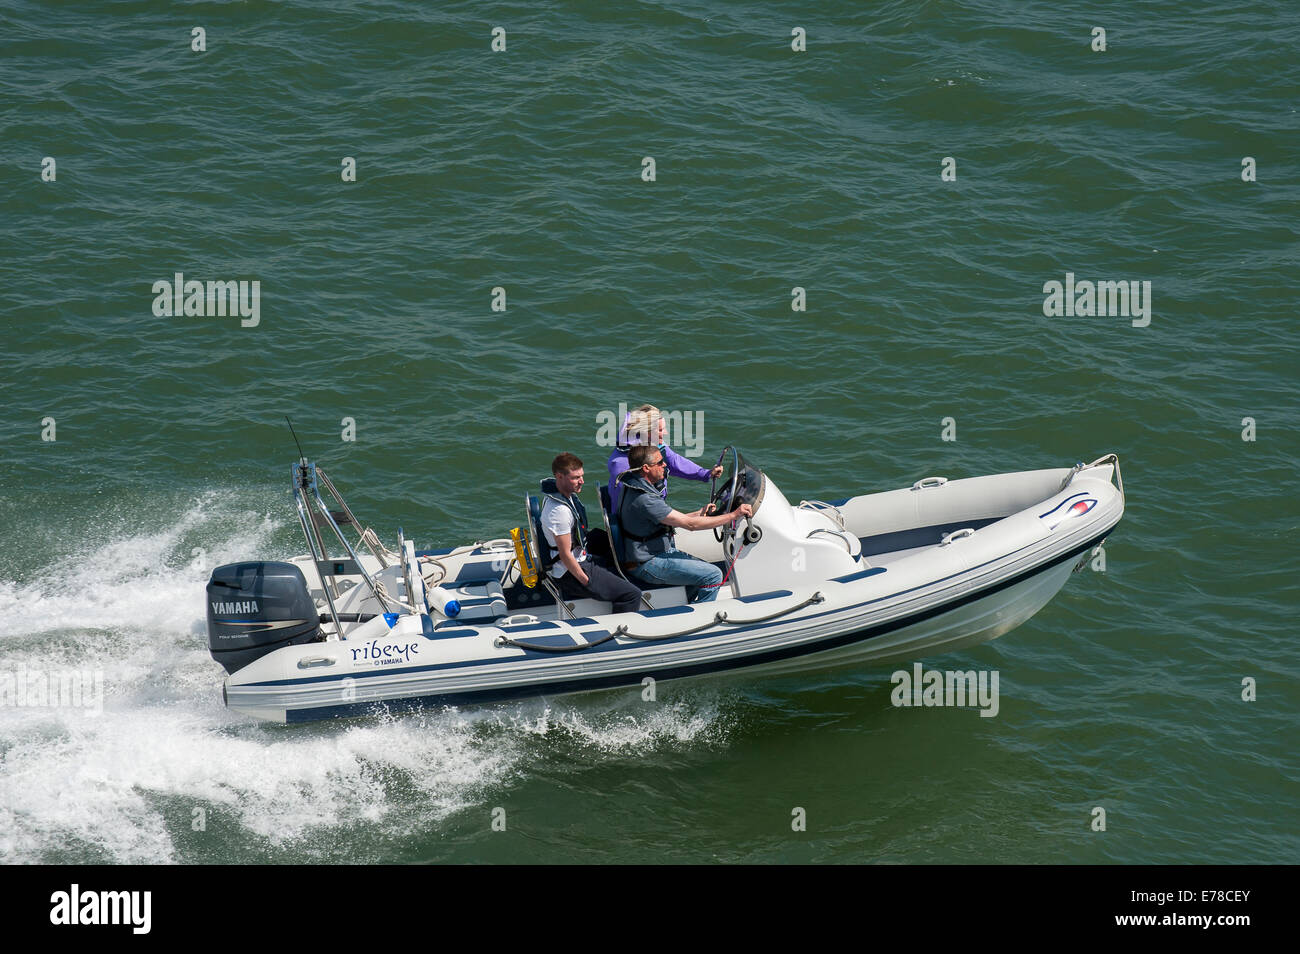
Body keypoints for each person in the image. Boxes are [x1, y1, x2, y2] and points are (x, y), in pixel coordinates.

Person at [618, 444, 752, 603]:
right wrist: (734, 515)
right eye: (660, 463)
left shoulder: (634, 487)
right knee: (713, 575)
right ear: (646, 468)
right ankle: (702, 619)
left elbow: (668, 518)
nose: (665, 465)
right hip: (647, 562)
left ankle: (684, 609)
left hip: (649, 553)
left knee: (700, 574)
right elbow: (691, 525)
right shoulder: (645, 499)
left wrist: (699, 513)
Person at [539, 453, 642, 614]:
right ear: (559, 476)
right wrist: (585, 580)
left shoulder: (565, 495)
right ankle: (620, 632)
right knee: (632, 594)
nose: (582, 481)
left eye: (582, 476)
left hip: (580, 556)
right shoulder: (559, 511)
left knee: (613, 550)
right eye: (576, 478)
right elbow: (565, 554)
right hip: (571, 572)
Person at [606, 403, 723, 514]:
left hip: (654, 512)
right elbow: (629, 508)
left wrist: (706, 473)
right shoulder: (623, 468)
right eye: (661, 430)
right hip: (637, 523)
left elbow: (675, 461)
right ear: (646, 432)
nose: (666, 433)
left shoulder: (653, 445)